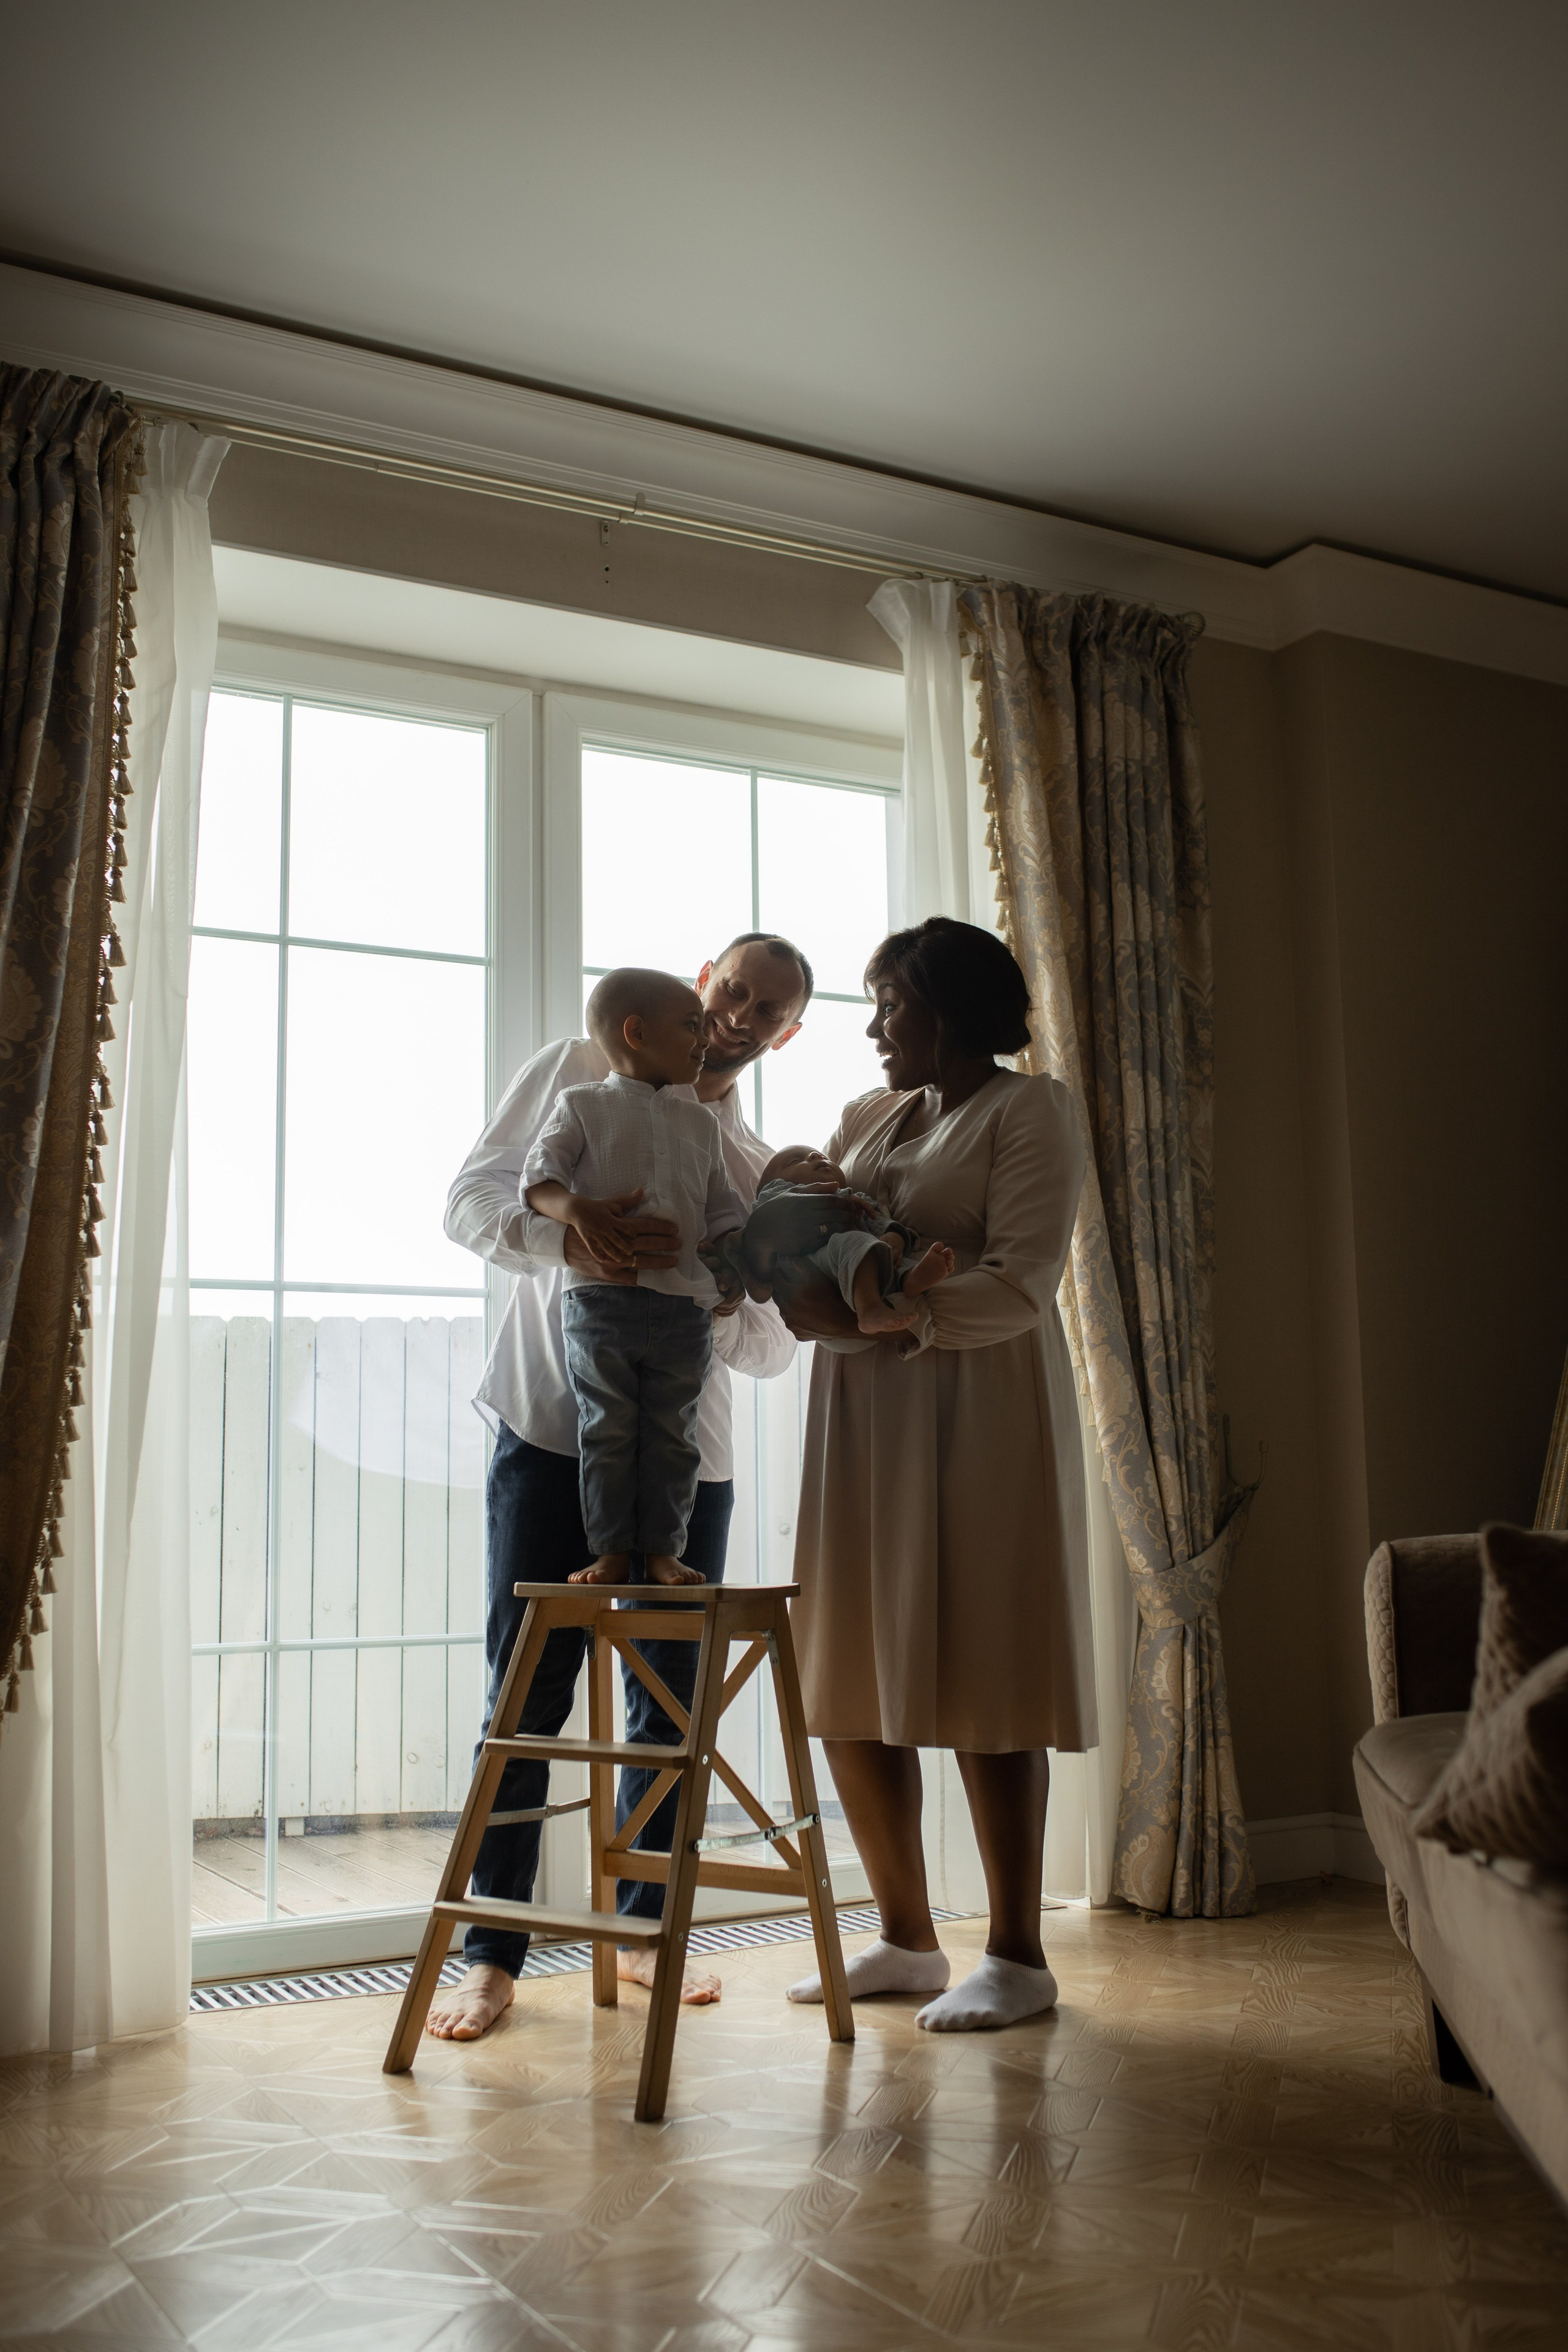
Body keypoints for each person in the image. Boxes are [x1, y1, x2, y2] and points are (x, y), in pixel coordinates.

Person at [426, 933, 825, 2040]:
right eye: (732, 991)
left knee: (668, 1709)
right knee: (524, 1696)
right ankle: (490, 1956)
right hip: (550, 1432)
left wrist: (719, 1287)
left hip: (691, 1461)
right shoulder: (569, 1072)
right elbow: (468, 1203)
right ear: (701, 986)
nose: (742, 1015)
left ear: (787, 1033)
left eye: (769, 1009)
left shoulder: (747, 1161)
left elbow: (769, 1353)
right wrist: (578, 1239)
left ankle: (649, 1933)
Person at [779, 916, 1096, 2033]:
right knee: (849, 1658)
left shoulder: (1031, 1111)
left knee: (983, 1659)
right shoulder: (870, 1116)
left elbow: (1021, 1281)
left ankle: (1018, 1954)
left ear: (954, 1008)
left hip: (976, 1413)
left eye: (892, 1005)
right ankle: (906, 1937)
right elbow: (816, 1234)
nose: (875, 1029)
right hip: (862, 1420)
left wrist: (893, 1311)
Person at [523, 968, 745, 1585]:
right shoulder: (582, 1104)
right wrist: (579, 1213)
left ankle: (664, 1553)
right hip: (602, 1303)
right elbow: (538, 1182)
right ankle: (612, 1553)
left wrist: (734, 1262)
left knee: (675, 1434)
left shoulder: (702, 1123)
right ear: (636, 1032)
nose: (706, 1040)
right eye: (691, 1027)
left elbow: (723, 1206)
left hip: (685, 1310)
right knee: (610, 1429)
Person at [707, 1142, 955, 1338]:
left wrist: (894, 1235)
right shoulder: (779, 1195)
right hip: (816, 1265)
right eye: (797, 1160)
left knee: (887, 1254)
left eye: (820, 1155)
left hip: (860, 1258)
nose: (816, 1156)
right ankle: (869, 1309)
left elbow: (876, 1218)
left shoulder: (852, 1197)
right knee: (854, 1244)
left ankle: (910, 1280)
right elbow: (770, 1216)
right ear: (776, 1184)